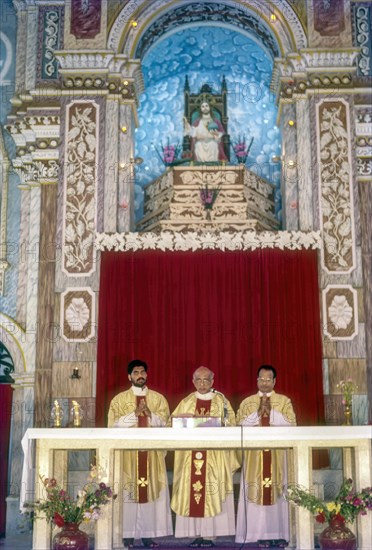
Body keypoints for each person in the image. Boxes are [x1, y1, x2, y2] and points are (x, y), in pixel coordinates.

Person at [170, 366, 238, 548]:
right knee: (193, 492)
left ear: (212, 382)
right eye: (198, 380)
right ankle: (194, 534)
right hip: (190, 456)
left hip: (214, 457)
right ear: (193, 382)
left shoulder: (221, 401)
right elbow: (173, 422)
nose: (202, 384)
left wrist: (217, 421)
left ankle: (210, 535)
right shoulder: (186, 402)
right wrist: (182, 419)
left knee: (211, 491)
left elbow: (231, 423)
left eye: (206, 380)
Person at [107, 359, 173, 548]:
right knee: (128, 494)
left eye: (143, 372)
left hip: (151, 454)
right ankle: (126, 534)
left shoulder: (158, 399)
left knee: (150, 494)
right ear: (129, 376)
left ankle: (148, 534)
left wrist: (150, 414)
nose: (140, 375)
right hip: (128, 456)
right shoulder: (118, 400)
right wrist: (134, 414)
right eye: (136, 372)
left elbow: (167, 423)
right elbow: (113, 425)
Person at [235, 365, 296, 546]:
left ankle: (278, 534)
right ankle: (257, 534)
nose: (264, 382)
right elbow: (238, 424)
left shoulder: (284, 401)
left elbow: (292, 424)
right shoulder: (247, 402)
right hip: (255, 457)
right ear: (257, 380)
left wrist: (272, 413)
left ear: (275, 381)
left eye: (268, 379)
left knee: (278, 494)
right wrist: (257, 413)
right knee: (255, 493)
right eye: (261, 379)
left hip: (277, 457)